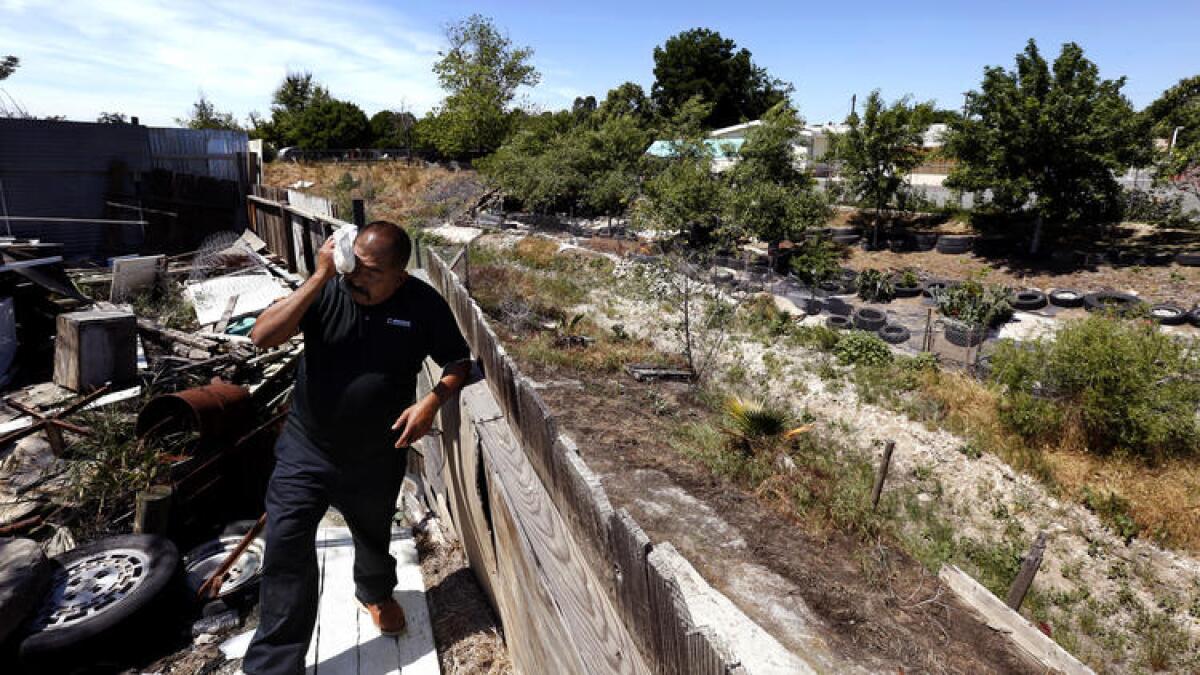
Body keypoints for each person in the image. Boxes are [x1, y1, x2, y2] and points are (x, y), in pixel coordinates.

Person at [242, 221, 471, 675]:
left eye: (369, 272)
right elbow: (261, 336)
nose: (356, 279)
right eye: (352, 268)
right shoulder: (328, 288)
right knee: (286, 546)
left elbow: (458, 360)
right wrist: (320, 275)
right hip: (308, 446)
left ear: (399, 274)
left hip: (377, 450)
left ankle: (375, 592)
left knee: (371, 531)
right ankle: (273, 666)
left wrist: (431, 402)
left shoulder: (422, 304)